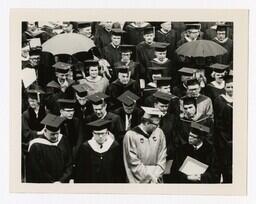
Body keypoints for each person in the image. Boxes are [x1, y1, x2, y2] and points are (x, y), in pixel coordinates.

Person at [123, 107, 167, 183]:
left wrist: (157, 174)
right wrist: (150, 175)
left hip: (156, 179)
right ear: (147, 123)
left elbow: (162, 156)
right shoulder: (131, 135)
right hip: (138, 180)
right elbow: (133, 162)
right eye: (156, 124)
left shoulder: (159, 133)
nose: (158, 127)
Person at [26, 113, 72, 183]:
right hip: (45, 184)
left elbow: (69, 163)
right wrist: (52, 183)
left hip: (62, 183)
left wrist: (61, 181)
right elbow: (37, 171)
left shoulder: (63, 140)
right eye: (52, 134)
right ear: (45, 131)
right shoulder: (36, 146)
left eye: (57, 133)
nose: (56, 136)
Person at [22, 88, 47, 182]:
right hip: (30, 142)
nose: (31, 103)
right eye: (29, 101)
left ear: (38, 100)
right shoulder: (25, 114)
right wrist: (37, 133)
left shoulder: (45, 112)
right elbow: (25, 131)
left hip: (44, 139)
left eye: (33, 101)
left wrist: (44, 132)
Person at [213, 75, 233, 183]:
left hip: (235, 138)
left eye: (233, 87)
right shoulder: (219, 100)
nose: (231, 89)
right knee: (224, 164)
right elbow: (218, 122)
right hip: (222, 138)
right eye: (228, 87)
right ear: (224, 87)